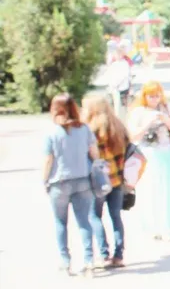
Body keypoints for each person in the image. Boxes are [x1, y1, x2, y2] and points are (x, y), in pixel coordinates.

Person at [43, 93, 103, 276]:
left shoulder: (52, 133)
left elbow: (48, 160)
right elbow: (95, 154)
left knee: (60, 222)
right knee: (84, 221)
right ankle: (89, 260)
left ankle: (65, 260)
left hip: (59, 182)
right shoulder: (84, 129)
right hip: (82, 179)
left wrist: (44, 180)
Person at [128, 81, 170, 241]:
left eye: (157, 95)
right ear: (144, 96)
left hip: (165, 153)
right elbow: (133, 136)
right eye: (151, 96)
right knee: (150, 191)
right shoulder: (138, 112)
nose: (155, 99)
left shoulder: (167, 109)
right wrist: (148, 122)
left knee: (166, 190)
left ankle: (166, 227)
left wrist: (165, 118)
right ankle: (154, 226)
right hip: (147, 155)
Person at [82, 92, 130, 268]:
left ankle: (104, 254)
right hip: (117, 178)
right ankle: (119, 255)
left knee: (95, 216)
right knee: (116, 216)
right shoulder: (118, 126)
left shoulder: (90, 129)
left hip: (98, 181)